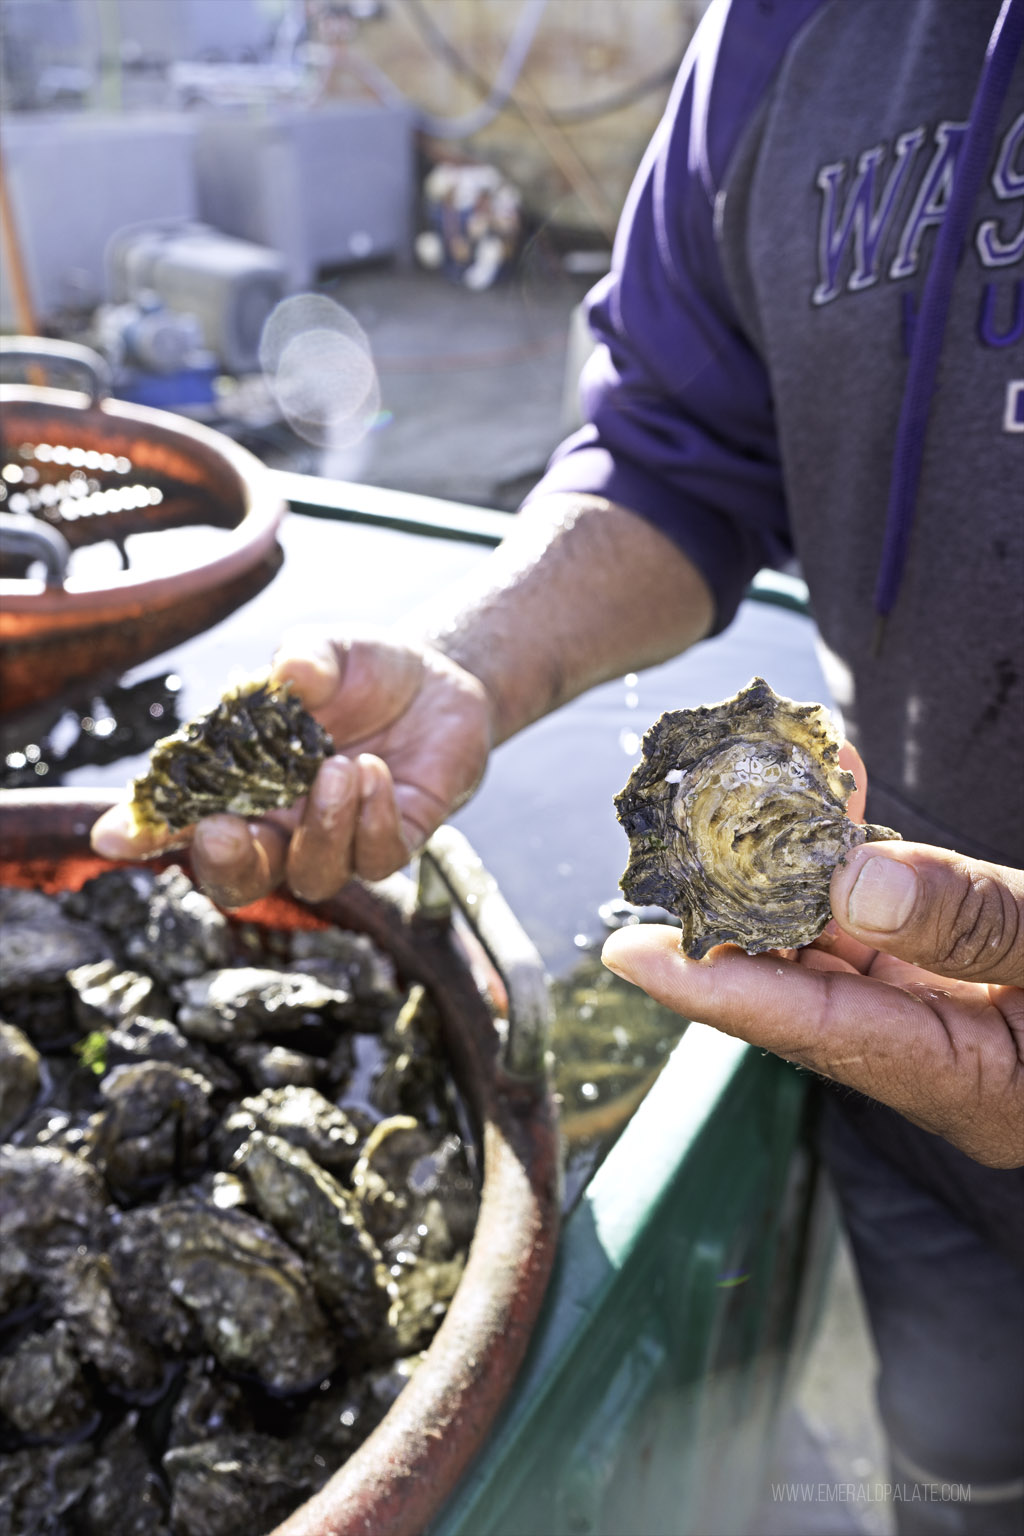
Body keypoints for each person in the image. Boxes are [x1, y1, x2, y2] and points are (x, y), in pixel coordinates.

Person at [94, 0, 1024, 1529]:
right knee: (962, 1487)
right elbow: (678, 446)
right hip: (895, 1032)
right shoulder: (786, 30)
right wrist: (476, 665)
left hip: (890, 972)